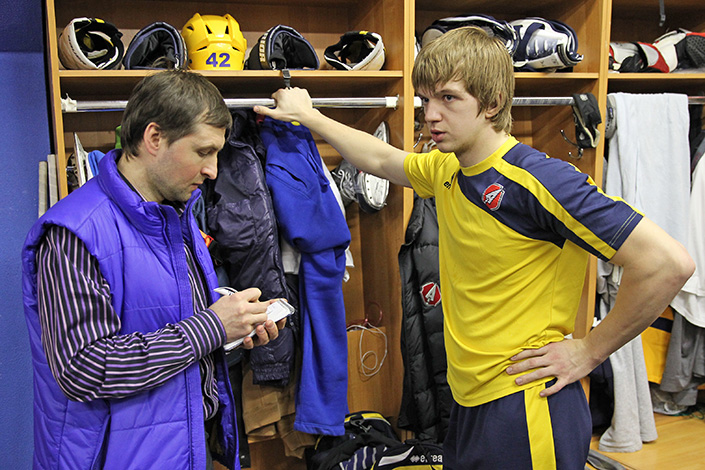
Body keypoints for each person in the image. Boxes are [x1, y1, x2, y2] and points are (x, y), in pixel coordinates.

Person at [254, 27, 695, 469]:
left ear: (493, 104)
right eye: (426, 99)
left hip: (527, 404)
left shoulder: (540, 180)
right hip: (468, 400)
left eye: (449, 98)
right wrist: (309, 116)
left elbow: (667, 264)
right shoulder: (449, 168)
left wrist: (589, 351)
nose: (431, 115)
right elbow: (382, 159)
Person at [21, 70, 285, 470]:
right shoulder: (75, 234)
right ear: (154, 138)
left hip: (183, 446)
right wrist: (212, 327)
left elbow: (172, 330)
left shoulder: (175, 217)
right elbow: (83, 369)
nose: (213, 170)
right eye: (203, 151)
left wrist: (233, 331)